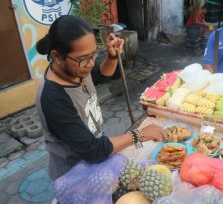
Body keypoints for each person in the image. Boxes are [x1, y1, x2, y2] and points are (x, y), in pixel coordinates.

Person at [35, 15, 164, 181]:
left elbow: (101, 75)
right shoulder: (53, 98)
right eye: (84, 59)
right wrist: (138, 135)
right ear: (57, 57)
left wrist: (111, 57)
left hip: (96, 160)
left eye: (94, 54)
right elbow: (92, 150)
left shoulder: (76, 67)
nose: (90, 63)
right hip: (74, 175)